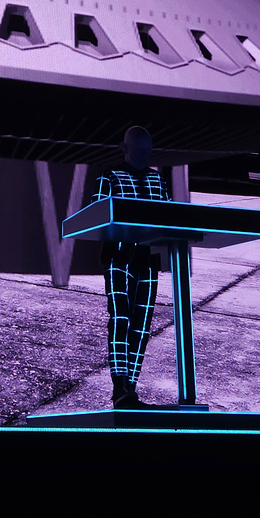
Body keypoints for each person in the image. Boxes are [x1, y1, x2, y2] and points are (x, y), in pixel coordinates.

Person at [92, 126, 167, 409]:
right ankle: (120, 388)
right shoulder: (109, 176)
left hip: (147, 261)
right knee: (121, 318)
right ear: (125, 149)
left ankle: (129, 389)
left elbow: (172, 216)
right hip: (119, 257)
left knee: (141, 326)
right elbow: (97, 214)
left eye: (148, 151)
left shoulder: (157, 180)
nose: (144, 156)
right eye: (139, 151)